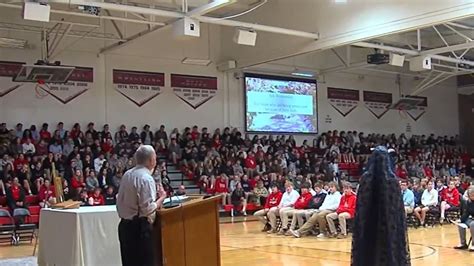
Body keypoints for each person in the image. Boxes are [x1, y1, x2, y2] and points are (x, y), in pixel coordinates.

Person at [116, 145, 167, 266]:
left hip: (124, 226)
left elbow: (119, 200)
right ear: (151, 160)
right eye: (155, 158)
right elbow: (147, 209)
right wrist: (161, 198)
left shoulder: (127, 174)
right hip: (139, 228)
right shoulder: (146, 178)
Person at [454, 187, 474, 251]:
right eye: (470, 195)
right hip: (472, 219)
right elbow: (466, 213)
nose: (472, 197)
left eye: (473, 195)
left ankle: (473, 244)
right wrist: (460, 220)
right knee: (461, 224)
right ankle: (463, 243)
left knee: (472, 225)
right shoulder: (468, 202)